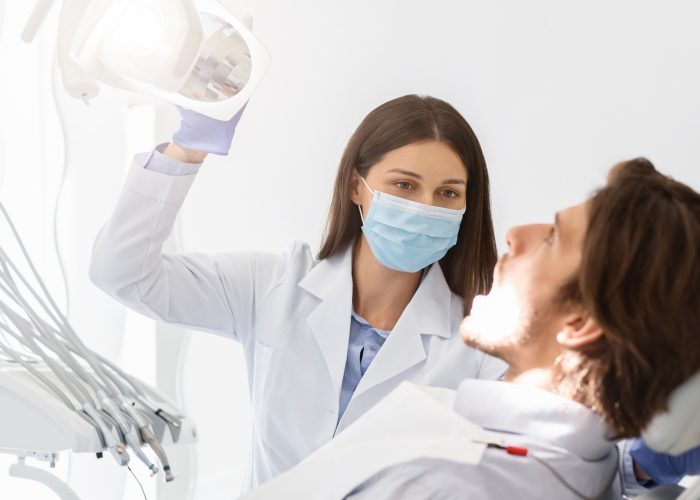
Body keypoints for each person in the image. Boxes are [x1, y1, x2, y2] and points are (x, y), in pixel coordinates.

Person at [88, 95, 507, 491]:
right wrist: (188, 147)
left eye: (448, 193)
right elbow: (123, 272)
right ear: (356, 186)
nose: (424, 208)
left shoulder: (480, 341)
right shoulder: (273, 285)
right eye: (404, 185)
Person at [239, 159, 700, 499]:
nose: (515, 234)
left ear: (581, 324)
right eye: (405, 185)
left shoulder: (437, 486)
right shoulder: (583, 462)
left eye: (554, 237)